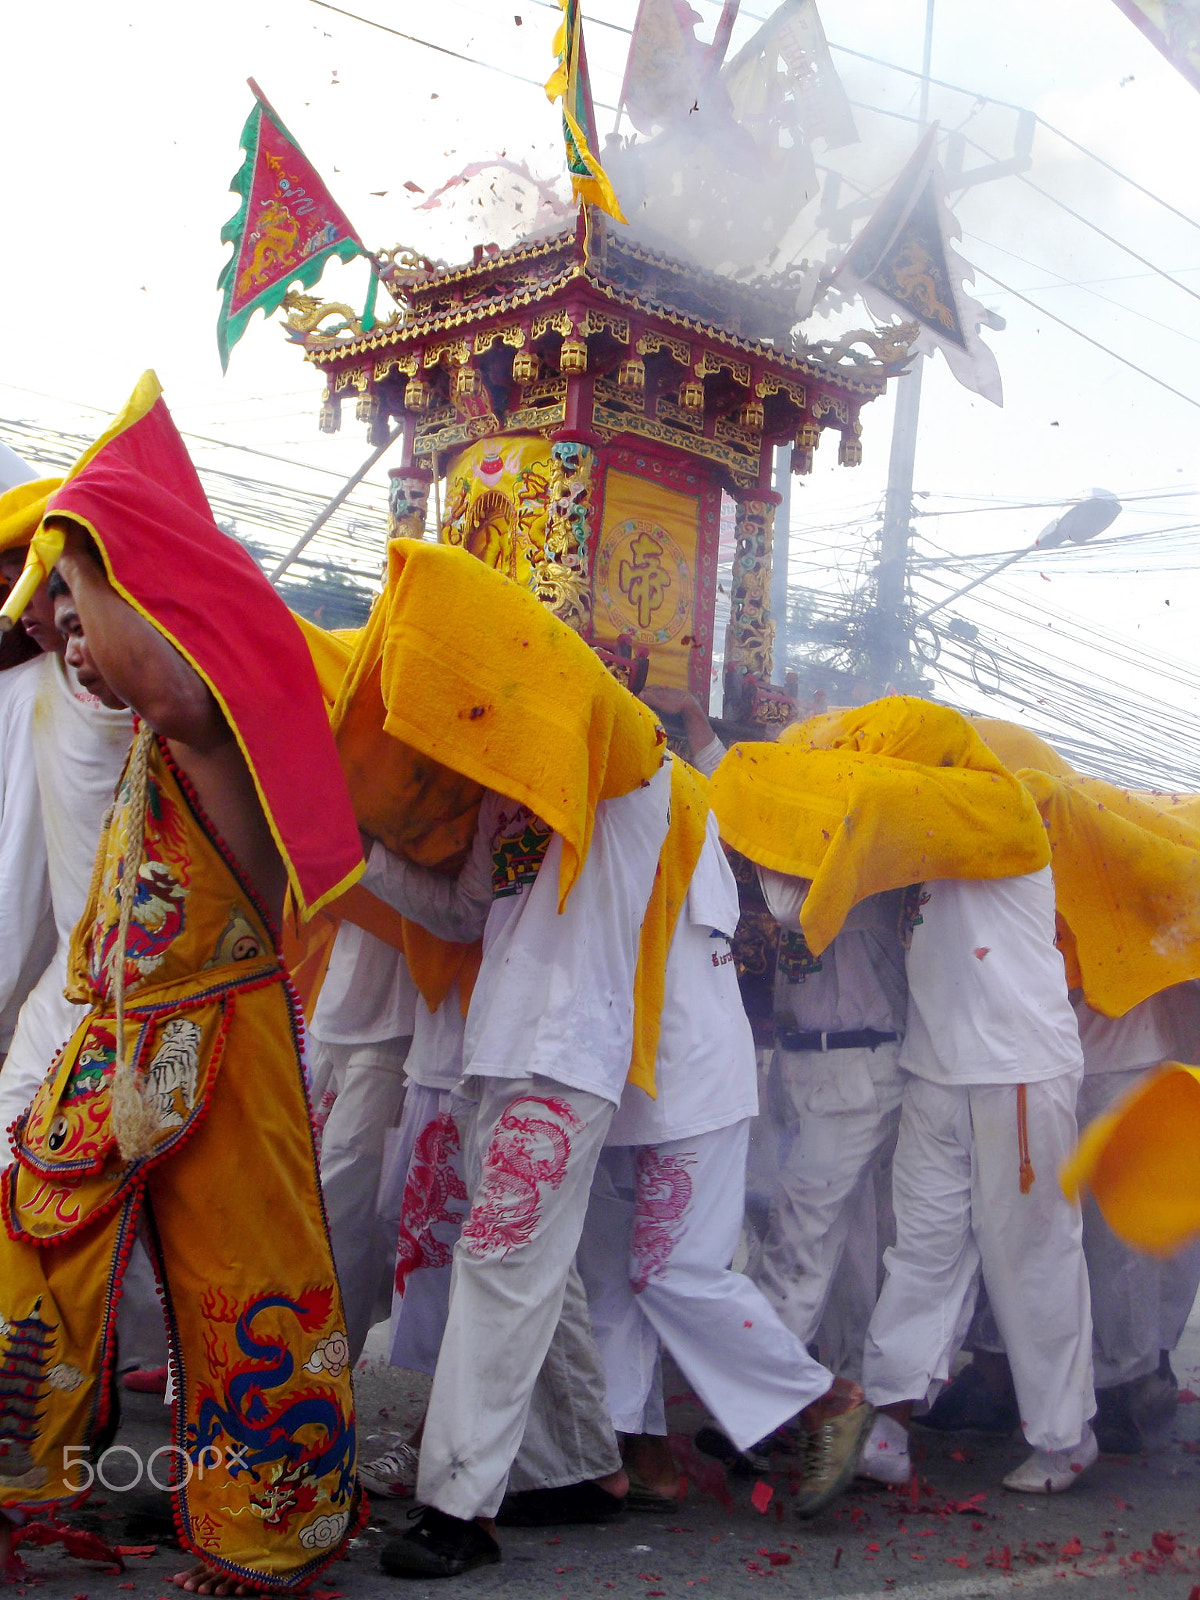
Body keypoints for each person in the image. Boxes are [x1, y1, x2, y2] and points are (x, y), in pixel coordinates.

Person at [0, 376, 364, 1594]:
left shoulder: (219, 706)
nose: (64, 632)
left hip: (225, 1037)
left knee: (243, 1296)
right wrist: (69, 583)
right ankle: (24, 1471)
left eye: (76, 607)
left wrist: (89, 541)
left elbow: (161, 680)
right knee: (30, 1237)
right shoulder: (151, 729)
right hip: (114, 1044)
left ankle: (266, 1529)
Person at [575, 802, 874, 1521]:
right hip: (635, 1079)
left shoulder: (648, 797)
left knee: (670, 1271)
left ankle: (820, 1401)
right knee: (614, 1277)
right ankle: (635, 1451)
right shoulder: (658, 799)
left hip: (685, 1080)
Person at [858, 862, 1096, 1494]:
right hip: (933, 1071)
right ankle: (889, 1427)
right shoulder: (909, 836)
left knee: (1032, 1258)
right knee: (920, 1254)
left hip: (1017, 1072)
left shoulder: (1004, 817)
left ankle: (1066, 1437)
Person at [748, 873, 906, 1382]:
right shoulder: (809, 854)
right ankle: (850, 1379)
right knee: (847, 1240)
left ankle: (756, 1396)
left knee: (799, 1235)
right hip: (801, 1059)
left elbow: (795, 909)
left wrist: (761, 847)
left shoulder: (868, 863)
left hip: (853, 1064)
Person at [308, 922, 416, 1364]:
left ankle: (323, 1376)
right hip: (331, 1010)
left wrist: (369, 867)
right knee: (299, 1202)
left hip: (393, 1027)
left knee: (340, 1215)